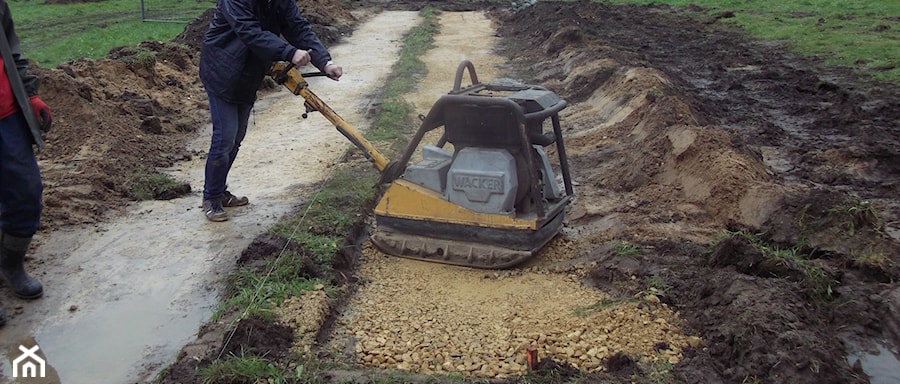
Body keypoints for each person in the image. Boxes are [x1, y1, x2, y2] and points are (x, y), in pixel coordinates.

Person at [199, 0, 343, 222]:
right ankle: (211, 197)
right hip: (221, 71)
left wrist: (325, 62)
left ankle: (220, 192)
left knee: (235, 138)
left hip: (248, 74)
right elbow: (249, 32)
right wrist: (289, 51)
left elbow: (298, 28)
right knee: (225, 137)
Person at [0, 0, 52, 327]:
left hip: (6, 116)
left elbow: (11, 50)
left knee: (27, 192)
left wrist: (30, 94)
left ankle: (10, 263)